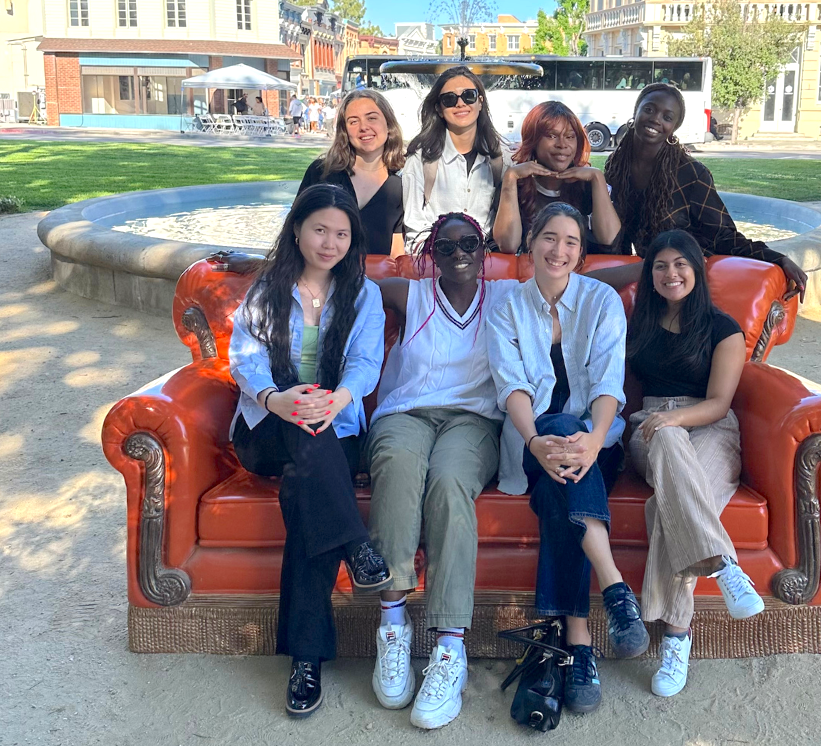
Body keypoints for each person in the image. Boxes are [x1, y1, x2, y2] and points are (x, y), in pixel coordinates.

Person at [228, 183, 391, 718]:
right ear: (297, 230)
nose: (330, 242)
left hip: (333, 427)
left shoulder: (361, 293)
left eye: (341, 233)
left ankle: (306, 659)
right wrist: (280, 400)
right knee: (306, 435)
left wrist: (333, 401)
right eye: (320, 229)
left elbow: (365, 365)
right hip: (268, 426)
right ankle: (357, 545)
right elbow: (245, 363)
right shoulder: (266, 289)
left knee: (308, 494)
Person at [487, 202, 649, 715]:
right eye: (550, 238)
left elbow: (607, 381)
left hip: (596, 446)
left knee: (564, 477)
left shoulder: (602, 301)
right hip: (531, 445)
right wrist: (536, 441)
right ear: (530, 244)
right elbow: (510, 383)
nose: (560, 250)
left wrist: (596, 437)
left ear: (582, 253)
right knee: (557, 429)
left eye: (572, 242)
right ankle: (615, 588)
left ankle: (579, 644)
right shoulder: (505, 305)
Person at [367, 212, 518, 729]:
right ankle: (392, 624)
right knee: (398, 465)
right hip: (406, 413)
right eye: (446, 245)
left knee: (450, 483)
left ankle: (449, 650)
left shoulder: (503, 296)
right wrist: (264, 261)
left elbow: (571, 275)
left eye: (469, 244)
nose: (459, 254)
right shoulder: (410, 294)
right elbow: (338, 268)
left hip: (474, 421)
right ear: (430, 251)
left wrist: (649, 261)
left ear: (483, 249)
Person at [624, 229, 766, 698]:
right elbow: (598, 280)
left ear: (697, 270)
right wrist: (664, 421)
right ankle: (724, 565)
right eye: (660, 265)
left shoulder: (722, 328)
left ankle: (676, 638)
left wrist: (674, 418)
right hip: (651, 426)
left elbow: (720, 403)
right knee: (665, 440)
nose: (671, 273)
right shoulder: (637, 321)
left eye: (680, 264)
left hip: (709, 424)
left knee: (667, 509)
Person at [603, 83, 808, 301]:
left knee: (589, 281)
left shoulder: (690, 173)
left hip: (681, 277)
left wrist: (779, 259)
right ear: (636, 111)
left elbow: (724, 235)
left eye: (667, 117)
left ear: (674, 127)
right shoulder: (617, 165)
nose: (656, 119)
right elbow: (614, 231)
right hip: (642, 274)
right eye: (650, 109)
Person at [402, 65, 511, 248]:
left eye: (469, 96)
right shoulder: (421, 160)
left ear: (480, 101)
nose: (460, 104)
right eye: (449, 99)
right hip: (438, 266)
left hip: (486, 266)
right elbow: (415, 233)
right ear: (438, 109)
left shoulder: (501, 158)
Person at [493, 100, 620, 255]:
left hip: (583, 275)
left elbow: (609, 239)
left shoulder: (589, 185)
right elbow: (508, 245)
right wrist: (510, 177)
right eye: (552, 136)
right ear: (533, 140)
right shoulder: (516, 185)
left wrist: (597, 177)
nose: (562, 144)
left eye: (570, 137)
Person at [297, 89, 405, 257]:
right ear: (344, 131)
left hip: (374, 280)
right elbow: (295, 232)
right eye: (353, 122)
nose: (363, 127)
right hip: (321, 279)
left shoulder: (402, 182)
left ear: (389, 125)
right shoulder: (321, 173)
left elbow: (397, 254)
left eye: (372, 118)